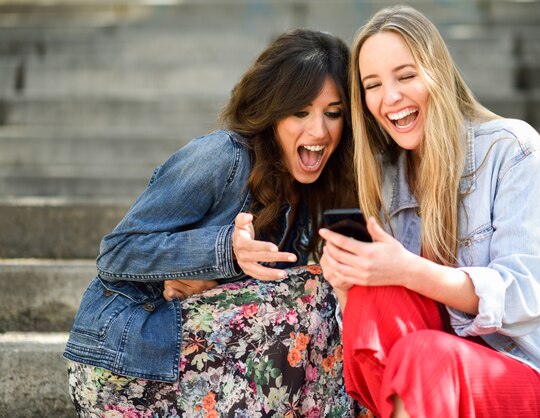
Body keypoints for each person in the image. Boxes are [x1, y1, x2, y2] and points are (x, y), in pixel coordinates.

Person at [319, 5, 540, 418]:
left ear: (438, 73)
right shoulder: (386, 179)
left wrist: (407, 269)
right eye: (372, 85)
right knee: (374, 295)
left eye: (406, 76)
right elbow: (378, 335)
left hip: (533, 376)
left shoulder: (512, 150)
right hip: (428, 384)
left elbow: (525, 297)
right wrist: (347, 283)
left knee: (426, 356)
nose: (390, 98)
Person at [64, 28, 364, 417]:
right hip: (125, 361)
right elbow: (116, 252)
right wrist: (220, 251)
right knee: (311, 289)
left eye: (333, 113)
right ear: (271, 112)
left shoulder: (310, 194)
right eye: (300, 111)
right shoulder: (223, 157)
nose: (319, 131)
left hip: (201, 363)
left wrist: (209, 278)